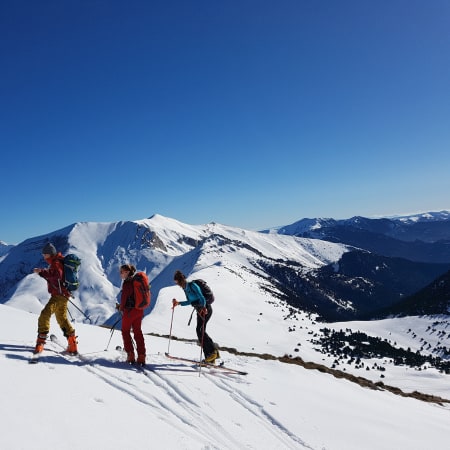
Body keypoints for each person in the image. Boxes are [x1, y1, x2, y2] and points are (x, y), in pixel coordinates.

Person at [33, 243, 78, 354]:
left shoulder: (56, 262)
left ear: (50, 254)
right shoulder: (58, 261)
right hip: (63, 294)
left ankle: (40, 341)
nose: (44, 256)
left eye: (45, 254)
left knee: (45, 315)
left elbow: (57, 274)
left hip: (59, 295)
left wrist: (42, 272)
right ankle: (72, 344)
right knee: (61, 318)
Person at [172, 270, 220, 363]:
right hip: (199, 310)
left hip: (205, 309)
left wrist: (203, 307)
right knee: (200, 331)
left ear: (182, 280)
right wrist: (178, 303)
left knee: (200, 330)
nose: (177, 285)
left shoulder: (192, 285)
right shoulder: (185, 289)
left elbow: (201, 297)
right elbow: (190, 301)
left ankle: (213, 352)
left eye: (177, 282)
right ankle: (210, 358)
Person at [118, 264, 146, 366]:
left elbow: (124, 298)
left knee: (125, 331)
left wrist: (121, 308)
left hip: (129, 311)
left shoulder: (127, 283)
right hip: (139, 310)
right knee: (137, 332)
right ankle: (142, 356)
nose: (120, 274)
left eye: (121, 272)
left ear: (127, 272)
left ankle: (130, 355)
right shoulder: (137, 281)